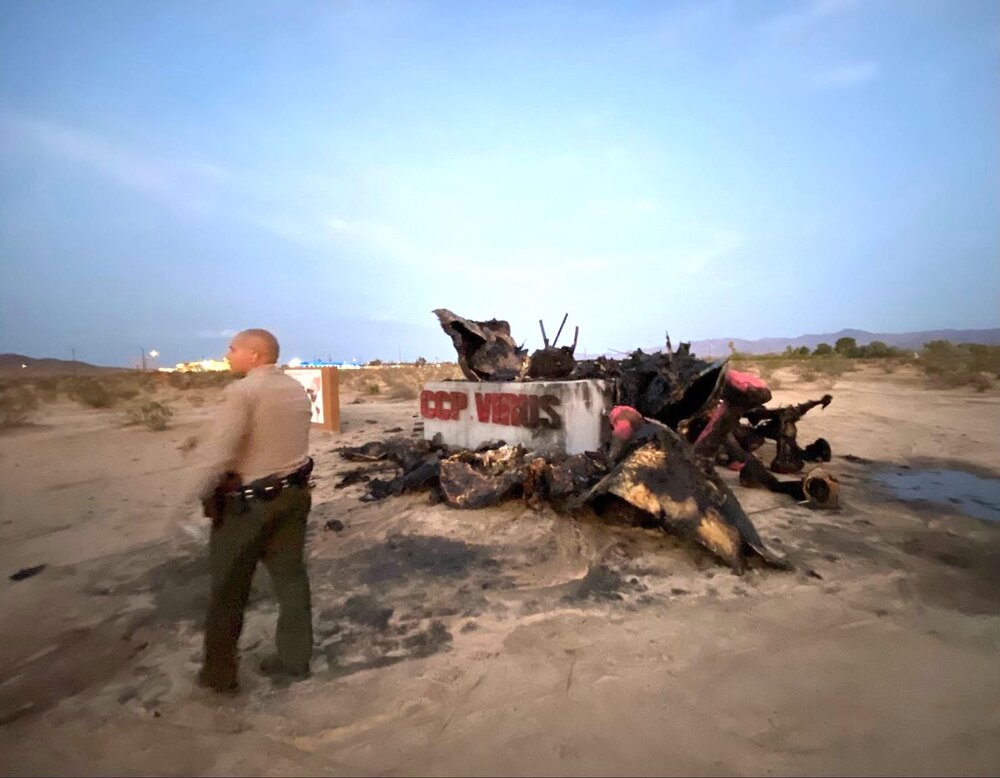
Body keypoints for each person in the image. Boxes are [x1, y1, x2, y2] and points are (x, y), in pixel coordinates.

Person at [192, 328, 315, 693]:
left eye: (232, 348)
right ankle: (295, 660)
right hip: (293, 496)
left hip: (249, 506)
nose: (227, 354)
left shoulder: (242, 392)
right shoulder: (294, 389)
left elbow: (221, 452)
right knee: (291, 581)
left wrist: (199, 489)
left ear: (254, 356)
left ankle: (219, 675)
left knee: (228, 590)